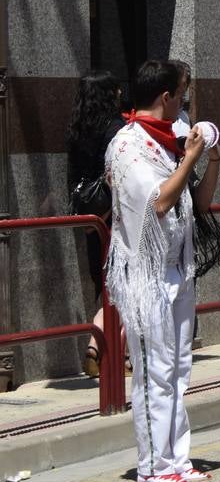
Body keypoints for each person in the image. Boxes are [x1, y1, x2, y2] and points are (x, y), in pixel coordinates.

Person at [105, 59, 219, 482]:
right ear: (166, 95)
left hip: (178, 268)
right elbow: (157, 203)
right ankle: (153, 464)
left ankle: (177, 458)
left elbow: (197, 203)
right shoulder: (128, 144)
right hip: (146, 275)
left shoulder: (170, 137)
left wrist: (210, 156)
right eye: (183, 92)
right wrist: (190, 157)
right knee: (154, 373)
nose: (186, 101)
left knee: (178, 371)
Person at [66, 70, 124, 379]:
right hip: (113, 218)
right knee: (120, 287)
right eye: (116, 90)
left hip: (89, 218)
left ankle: (113, 353)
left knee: (106, 285)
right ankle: (97, 347)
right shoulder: (115, 128)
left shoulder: (76, 129)